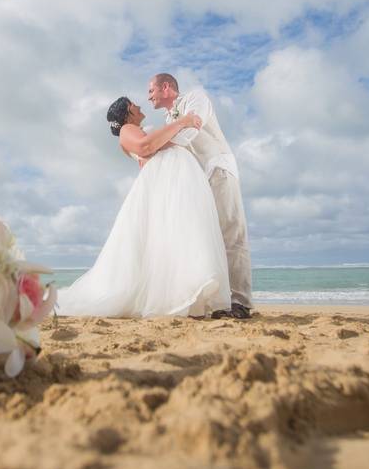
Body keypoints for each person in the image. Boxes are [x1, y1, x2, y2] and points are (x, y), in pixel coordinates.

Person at [57, 97, 232, 317]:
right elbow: (145, 146)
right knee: (182, 232)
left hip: (172, 177)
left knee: (180, 235)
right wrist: (182, 122)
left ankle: (189, 297)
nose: (140, 106)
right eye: (134, 105)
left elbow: (150, 147)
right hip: (168, 178)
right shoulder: (128, 129)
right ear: (128, 112)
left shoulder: (136, 128)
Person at [148, 73, 253, 319]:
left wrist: (155, 143)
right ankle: (220, 300)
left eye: (151, 90)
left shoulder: (196, 98)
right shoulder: (167, 117)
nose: (148, 95)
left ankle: (241, 302)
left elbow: (189, 132)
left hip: (218, 168)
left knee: (232, 232)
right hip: (198, 180)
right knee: (207, 238)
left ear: (166, 87)